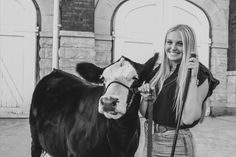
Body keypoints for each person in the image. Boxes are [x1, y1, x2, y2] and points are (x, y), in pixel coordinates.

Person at [138, 24, 219, 157]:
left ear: (189, 46)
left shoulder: (199, 74)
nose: (173, 48)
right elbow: (145, 113)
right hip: (151, 138)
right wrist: (147, 98)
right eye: (169, 42)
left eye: (180, 44)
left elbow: (189, 118)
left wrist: (192, 78)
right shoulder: (159, 72)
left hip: (176, 144)